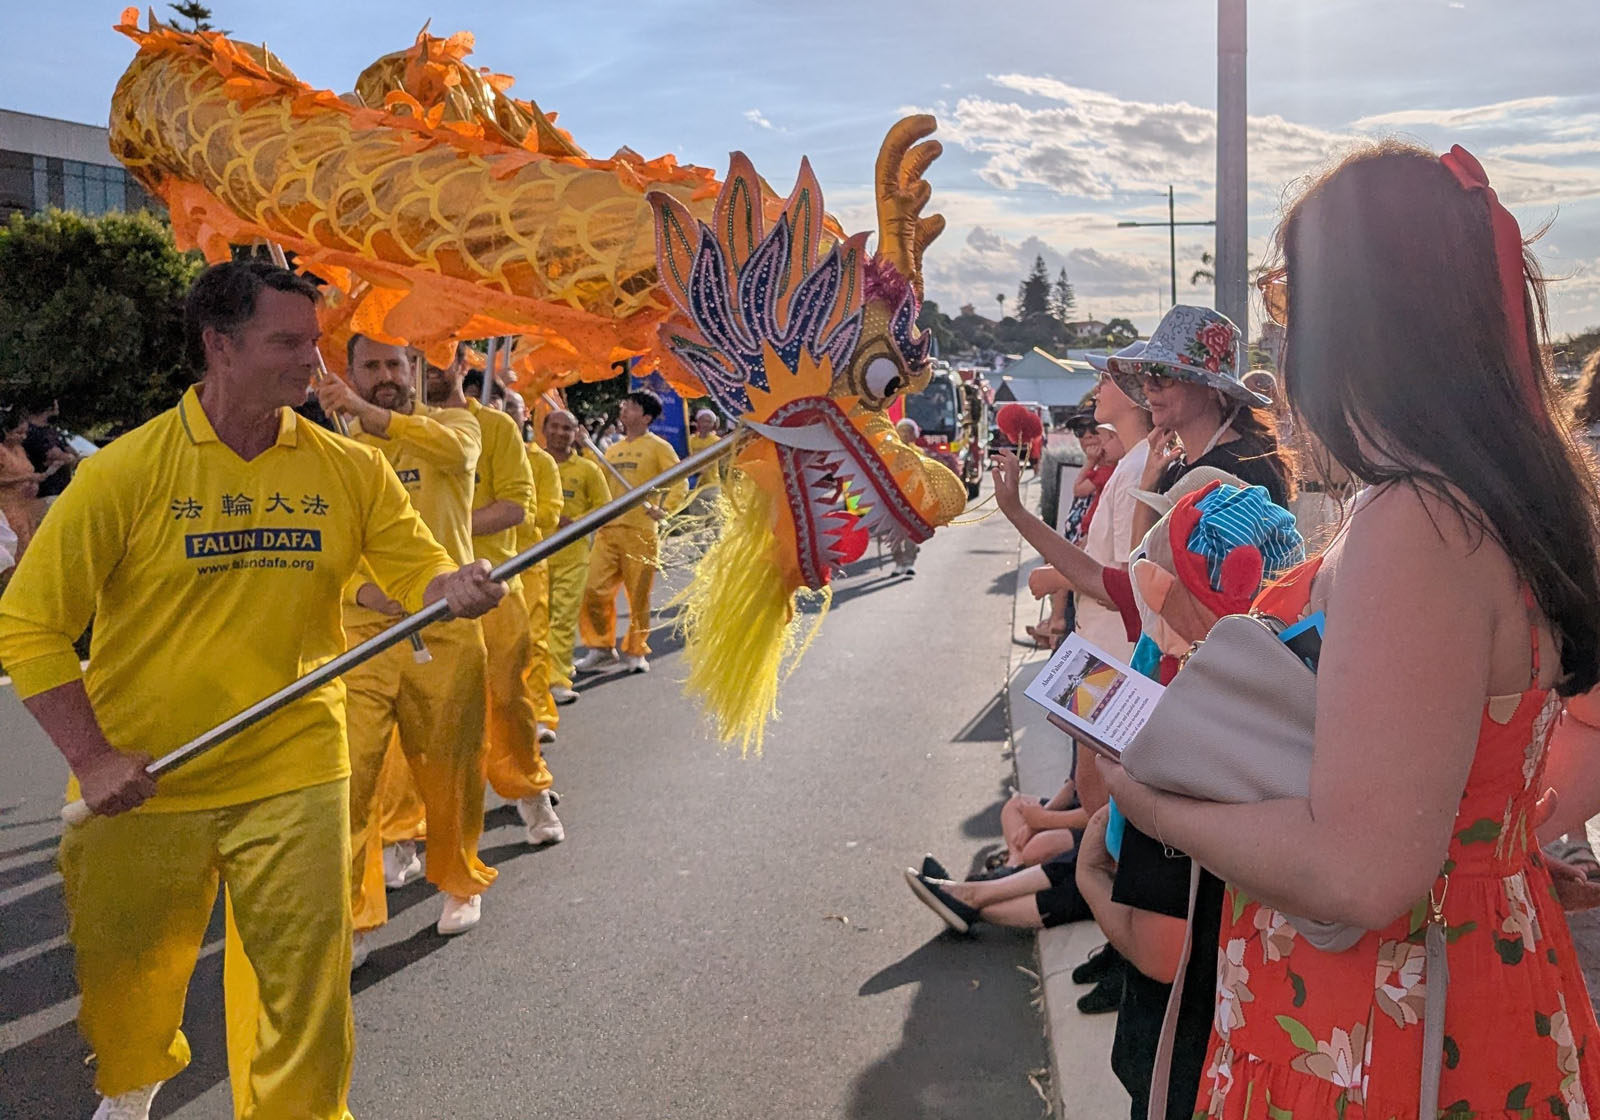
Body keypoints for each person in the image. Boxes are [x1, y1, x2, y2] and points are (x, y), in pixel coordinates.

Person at [1101, 141, 1600, 1116]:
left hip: (1377, 1026)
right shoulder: (1490, 504)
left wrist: (1149, 802)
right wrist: (1487, 850)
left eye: (1289, 305)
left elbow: (1361, 871)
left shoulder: (1419, 522)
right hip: (1444, 987)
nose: (1283, 346)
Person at [0, 261, 502, 1119]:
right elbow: (30, 624)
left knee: (305, 994)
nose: (313, 362)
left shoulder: (350, 469)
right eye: (287, 342)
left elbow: (416, 571)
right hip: (150, 776)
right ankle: (132, 1080)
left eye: (314, 342)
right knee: (130, 986)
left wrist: (449, 587)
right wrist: (93, 757)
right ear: (220, 346)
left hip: (297, 766)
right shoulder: (124, 472)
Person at [318, 334, 497, 953]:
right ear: (348, 373)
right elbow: (326, 545)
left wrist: (368, 415)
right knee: (350, 777)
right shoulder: (335, 451)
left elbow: (454, 451)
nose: (386, 375)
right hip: (363, 633)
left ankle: (459, 880)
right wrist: (369, 594)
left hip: (447, 624)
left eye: (396, 363)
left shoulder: (454, 427)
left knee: (450, 768)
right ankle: (355, 913)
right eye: (370, 366)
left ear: (415, 369)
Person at [428, 352, 563, 847]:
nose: (426, 368)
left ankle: (530, 790)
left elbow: (514, 508)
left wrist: (445, 524)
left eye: (438, 356)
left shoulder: (496, 427)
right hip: (424, 595)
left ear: (461, 364)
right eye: (414, 357)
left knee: (507, 699)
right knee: (432, 716)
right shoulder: (399, 431)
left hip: (495, 588)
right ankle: (407, 830)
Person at [1104, 305, 1290, 550]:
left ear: (1212, 388)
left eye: (1164, 375)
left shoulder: (1239, 470)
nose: (1149, 386)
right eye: (1146, 375)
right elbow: (1140, 562)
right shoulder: (1179, 469)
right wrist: (1149, 481)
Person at [575, 389, 687, 674]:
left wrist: (665, 509)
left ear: (647, 417)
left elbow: (679, 481)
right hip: (608, 530)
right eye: (625, 405)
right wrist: (585, 448)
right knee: (592, 589)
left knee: (638, 596)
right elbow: (598, 479)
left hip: (641, 531)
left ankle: (637, 650)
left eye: (633, 406)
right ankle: (600, 647)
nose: (625, 409)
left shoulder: (659, 447)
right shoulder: (612, 450)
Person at [542, 408, 609, 704]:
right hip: (533, 556)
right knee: (536, 620)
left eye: (567, 428)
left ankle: (557, 679)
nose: (560, 433)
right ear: (543, 429)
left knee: (563, 619)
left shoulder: (588, 470)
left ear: (575, 432)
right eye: (554, 427)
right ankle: (537, 675)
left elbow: (604, 507)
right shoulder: (531, 463)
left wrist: (576, 523)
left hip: (573, 555)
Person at [0, 409, 43, 558]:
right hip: (7, 505)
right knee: (16, 546)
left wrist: (33, 482)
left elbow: (28, 471)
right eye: (19, 432)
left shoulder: (20, 449)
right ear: (6, 431)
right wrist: (23, 478)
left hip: (26, 503)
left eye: (25, 432)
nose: (23, 437)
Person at [23, 399, 80, 501]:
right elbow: (58, 456)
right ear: (48, 410)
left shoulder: (51, 430)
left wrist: (70, 457)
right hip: (46, 489)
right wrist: (68, 458)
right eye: (56, 409)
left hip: (62, 487)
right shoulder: (33, 432)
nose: (57, 413)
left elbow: (72, 453)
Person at [891, 417, 924, 576]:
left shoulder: (918, 453)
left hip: (913, 499)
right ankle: (898, 563)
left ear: (914, 435)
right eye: (901, 431)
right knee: (895, 533)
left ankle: (909, 562)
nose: (904, 434)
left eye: (908, 431)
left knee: (911, 532)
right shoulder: (890, 452)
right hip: (894, 497)